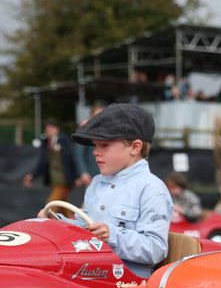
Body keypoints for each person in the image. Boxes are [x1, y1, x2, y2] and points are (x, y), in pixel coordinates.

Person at [66, 103, 172, 278]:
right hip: (89, 272)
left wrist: (113, 235)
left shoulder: (151, 189)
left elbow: (156, 249)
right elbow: (84, 227)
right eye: (95, 145)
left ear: (135, 147)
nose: (95, 152)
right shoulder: (96, 183)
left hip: (126, 283)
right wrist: (56, 222)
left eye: (104, 145)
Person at [23, 119, 78, 203]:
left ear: (57, 129)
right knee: (63, 205)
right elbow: (42, 163)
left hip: (64, 179)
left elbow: (72, 159)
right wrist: (33, 175)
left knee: (51, 205)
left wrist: (77, 177)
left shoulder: (63, 140)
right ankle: (70, 216)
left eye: (52, 127)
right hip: (53, 180)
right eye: (47, 128)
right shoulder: (46, 143)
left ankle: (47, 215)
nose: (49, 130)